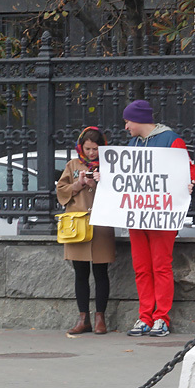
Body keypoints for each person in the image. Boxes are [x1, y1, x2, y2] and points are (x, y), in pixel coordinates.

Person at [123, 99, 195, 338]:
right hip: (138, 215)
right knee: (142, 267)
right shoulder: (132, 144)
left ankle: (160, 318)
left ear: (139, 120)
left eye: (128, 121)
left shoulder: (172, 140)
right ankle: (145, 316)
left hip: (161, 215)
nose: (126, 127)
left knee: (160, 266)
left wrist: (191, 182)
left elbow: (188, 169)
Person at [56, 126, 116, 334]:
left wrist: (100, 182)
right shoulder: (73, 165)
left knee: (101, 272)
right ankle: (84, 319)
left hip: (101, 224)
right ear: (81, 147)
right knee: (80, 272)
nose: (91, 153)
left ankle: (100, 318)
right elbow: (60, 191)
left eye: (95, 149)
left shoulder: (110, 165)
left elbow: (118, 191)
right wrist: (79, 184)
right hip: (77, 225)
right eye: (88, 148)